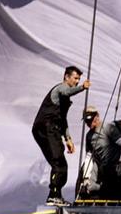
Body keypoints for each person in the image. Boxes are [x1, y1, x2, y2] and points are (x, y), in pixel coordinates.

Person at [32, 65, 90, 205]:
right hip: (47, 127)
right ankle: (53, 195)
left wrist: (68, 139)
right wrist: (82, 87)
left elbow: (62, 119)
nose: (77, 81)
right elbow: (67, 91)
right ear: (66, 77)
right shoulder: (61, 89)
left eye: (79, 79)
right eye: (75, 78)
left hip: (46, 129)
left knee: (59, 163)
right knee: (58, 161)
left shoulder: (64, 100)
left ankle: (56, 194)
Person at [83, 106, 121, 200]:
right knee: (106, 194)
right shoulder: (89, 136)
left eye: (90, 120)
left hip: (118, 169)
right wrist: (86, 177)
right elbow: (90, 157)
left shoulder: (107, 128)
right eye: (86, 121)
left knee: (119, 194)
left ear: (97, 116)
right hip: (105, 171)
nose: (88, 123)